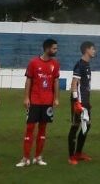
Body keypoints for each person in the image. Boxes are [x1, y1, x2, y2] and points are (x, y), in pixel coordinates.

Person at [18, 37, 61, 166]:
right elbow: (28, 80)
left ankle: (38, 157)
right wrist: (26, 97)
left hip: (47, 102)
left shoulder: (55, 64)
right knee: (30, 128)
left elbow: (56, 81)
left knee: (43, 129)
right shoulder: (33, 63)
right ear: (47, 49)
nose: (56, 50)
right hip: (34, 101)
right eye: (54, 48)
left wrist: (56, 98)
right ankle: (25, 158)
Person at [67, 41, 95, 165]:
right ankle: (71, 156)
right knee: (75, 126)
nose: (95, 51)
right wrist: (76, 102)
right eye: (93, 49)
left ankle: (79, 152)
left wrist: (87, 102)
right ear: (86, 50)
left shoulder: (87, 65)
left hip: (85, 101)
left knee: (87, 125)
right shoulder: (80, 65)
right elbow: (74, 84)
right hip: (78, 102)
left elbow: (85, 85)